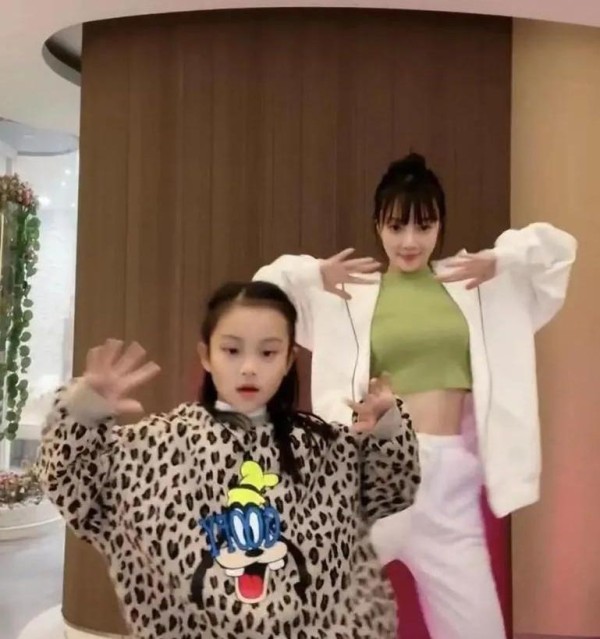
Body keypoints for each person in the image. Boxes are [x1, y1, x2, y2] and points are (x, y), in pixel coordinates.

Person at [253, 153, 577, 639]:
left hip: (451, 486)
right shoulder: (349, 295)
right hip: (374, 475)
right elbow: (263, 293)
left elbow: (559, 251)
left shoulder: (476, 286)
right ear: (377, 225)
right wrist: (313, 274)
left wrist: (503, 259)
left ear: (440, 225)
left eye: (423, 226)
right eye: (395, 226)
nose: (409, 241)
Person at [37, 280, 420, 639]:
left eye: (267, 352)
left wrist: (388, 427)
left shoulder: (325, 450)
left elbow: (393, 489)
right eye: (232, 350)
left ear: (288, 360)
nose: (249, 367)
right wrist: (84, 407)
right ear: (206, 355)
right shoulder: (156, 447)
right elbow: (74, 489)